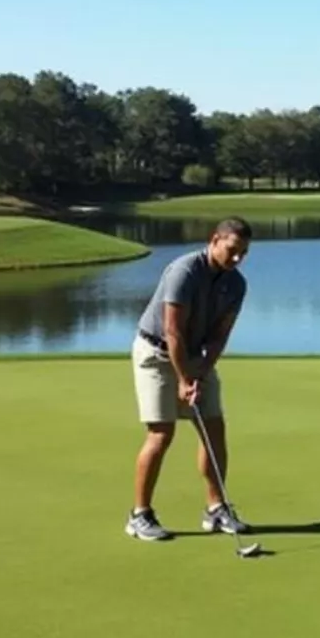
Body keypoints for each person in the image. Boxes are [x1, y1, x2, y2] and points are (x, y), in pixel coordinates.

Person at [125, 216, 253, 542]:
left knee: (213, 428)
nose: (237, 258)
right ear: (214, 240)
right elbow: (173, 331)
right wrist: (183, 379)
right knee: (161, 433)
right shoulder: (184, 271)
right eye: (232, 250)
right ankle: (139, 515)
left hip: (196, 356)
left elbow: (219, 337)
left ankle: (216, 509)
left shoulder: (236, 284)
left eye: (243, 253)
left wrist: (201, 371)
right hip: (156, 354)